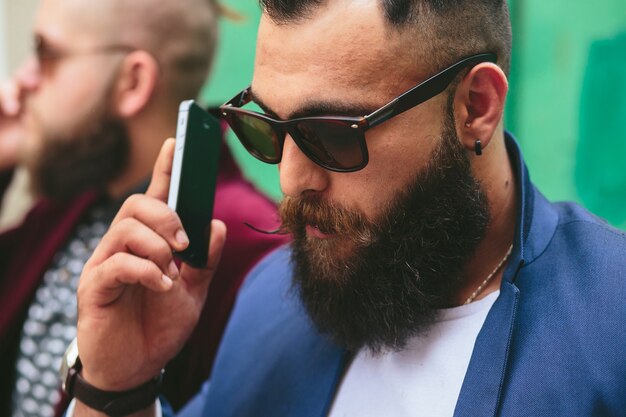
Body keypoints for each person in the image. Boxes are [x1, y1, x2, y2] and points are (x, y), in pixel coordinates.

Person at [69, 0, 626, 416]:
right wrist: (118, 387)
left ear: (475, 107)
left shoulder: (607, 327)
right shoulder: (272, 300)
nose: (290, 178)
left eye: (333, 135)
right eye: (266, 128)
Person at [0, 0, 287, 416]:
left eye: (46, 54)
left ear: (132, 82)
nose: (23, 79)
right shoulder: (74, 197)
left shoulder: (248, 245)